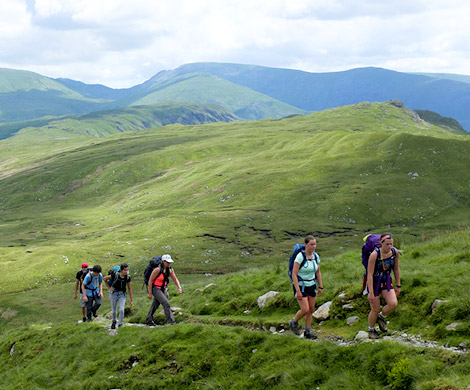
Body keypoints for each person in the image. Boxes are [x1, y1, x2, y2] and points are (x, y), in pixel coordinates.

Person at [366, 233, 401, 339]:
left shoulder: (395, 252)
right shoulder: (374, 255)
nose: (389, 246)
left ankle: (381, 317)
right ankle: (371, 330)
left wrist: (398, 285)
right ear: (381, 243)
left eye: (391, 244)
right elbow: (370, 274)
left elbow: (396, 269)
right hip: (374, 282)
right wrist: (371, 292)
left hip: (386, 280)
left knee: (393, 303)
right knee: (375, 309)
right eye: (387, 244)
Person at [289, 235, 323, 339]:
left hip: (311, 285)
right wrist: (298, 291)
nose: (314, 246)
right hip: (301, 286)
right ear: (306, 245)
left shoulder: (315, 256)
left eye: (315, 244)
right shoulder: (300, 256)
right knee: (305, 309)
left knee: (311, 309)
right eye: (311, 244)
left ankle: (307, 331)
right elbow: (294, 274)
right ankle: (294, 322)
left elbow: (318, 272)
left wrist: (320, 287)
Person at [146, 254, 182, 326]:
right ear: (163, 261)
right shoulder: (157, 270)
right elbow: (150, 281)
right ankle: (172, 322)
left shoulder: (170, 270)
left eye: (169, 262)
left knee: (155, 304)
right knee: (166, 304)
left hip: (163, 289)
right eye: (167, 262)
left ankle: (149, 320)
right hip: (155, 289)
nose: (169, 264)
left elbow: (175, 279)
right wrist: (150, 293)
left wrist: (179, 287)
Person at [104, 263, 133, 329]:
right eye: (125, 270)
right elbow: (105, 278)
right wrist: (109, 288)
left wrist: (131, 299)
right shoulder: (115, 275)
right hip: (113, 293)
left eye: (127, 270)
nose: (126, 272)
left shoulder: (128, 277)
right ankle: (114, 321)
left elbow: (129, 288)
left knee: (121, 309)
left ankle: (120, 323)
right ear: (121, 270)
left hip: (122, 294)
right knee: (114, 310)